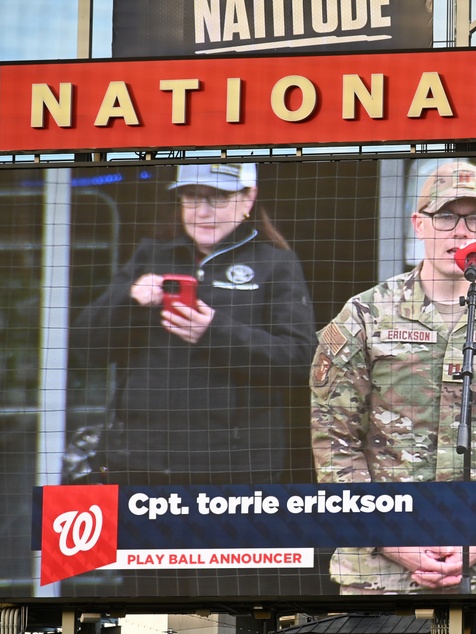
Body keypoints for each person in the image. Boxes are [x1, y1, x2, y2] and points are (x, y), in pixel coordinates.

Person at [310, 160, 476, 594]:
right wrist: (394, 540)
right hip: (379, 564)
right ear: (418, 224)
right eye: (445, 216)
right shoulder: (366, 315)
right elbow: (335, 443)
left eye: (474, 217)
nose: (460, 232)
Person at [71, 162, 317, 485]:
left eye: (217, 198)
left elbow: (301, 360)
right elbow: (85, 348)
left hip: (231, 467)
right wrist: (129, 301)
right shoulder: (152, 255)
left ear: (248, 198)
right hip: (137, 459)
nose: (202, 212)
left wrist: (214, 331)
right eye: (191, 197)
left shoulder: (276, 264)